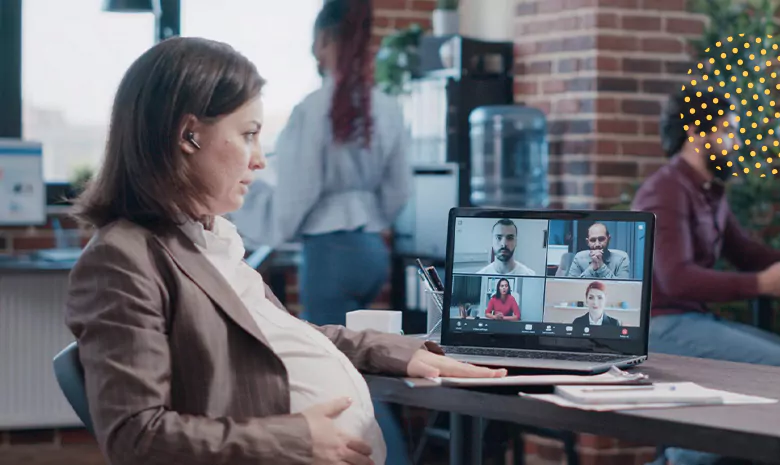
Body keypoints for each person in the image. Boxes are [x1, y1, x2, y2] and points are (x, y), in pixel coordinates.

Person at [65, 36, 505, 465]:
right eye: (248, 134)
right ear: (189, 136)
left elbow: (283, 337)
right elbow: (135, 437)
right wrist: (294, 439)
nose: (259, 160)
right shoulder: (122, 260)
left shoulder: (208, 239)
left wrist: (400, 352)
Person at [632, 86, 780, 465]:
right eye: (728, 131)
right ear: (697, 134)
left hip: (693, 319)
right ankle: (680, 458)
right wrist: (761, 285)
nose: (736, 141)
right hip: (661, 326)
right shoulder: (664, 192)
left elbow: (745, 252)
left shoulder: (709, 190)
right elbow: (676, 279)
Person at [230, 0, 410, 327]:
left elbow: (299, 192)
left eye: (314, 41)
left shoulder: (311, 111)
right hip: (373, 253)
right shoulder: (389, 108)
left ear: (325, 40)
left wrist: (266, 223)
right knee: (363, 352)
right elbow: (399, 191)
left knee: (332, 359)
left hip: (329, 255)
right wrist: (369, 220)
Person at [566, 222, 630, 279]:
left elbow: (622, 287)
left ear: (609, 239)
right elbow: (572, 286)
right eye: (593, 240)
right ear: (587, 242)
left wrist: (601, 267)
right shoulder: (579, 258)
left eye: (601, 239)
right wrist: (592, 268)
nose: (597, 244)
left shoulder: (622, 258)